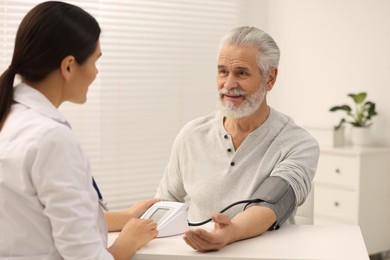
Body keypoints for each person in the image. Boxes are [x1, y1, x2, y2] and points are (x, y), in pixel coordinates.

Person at [0, 2, 158, 259]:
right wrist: (128, 242)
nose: (96, 72)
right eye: (95, 61)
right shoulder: (50, 138)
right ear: (69, 66)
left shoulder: (10, 117)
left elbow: (38, 217)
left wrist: (127, 217)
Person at [155, 26, 320, 252]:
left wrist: (230, 232)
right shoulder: (191, 135)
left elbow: (271, 203)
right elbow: (165, 203)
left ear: (270, 79)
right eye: (223, 71)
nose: (229, 84)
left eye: (241, 73)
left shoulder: (298, 144)